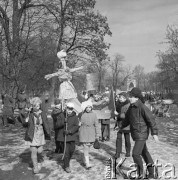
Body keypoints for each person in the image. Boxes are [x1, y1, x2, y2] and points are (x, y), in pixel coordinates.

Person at [121, 87, 159, 179]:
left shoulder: (142, 107)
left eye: (131, 96)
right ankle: (152, 172)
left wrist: (154, 133)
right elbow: (127, 119)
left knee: (135, 154)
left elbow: (151, 120)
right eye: (129, 96)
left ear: (137, 97)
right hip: (136, 133)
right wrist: (120, 126)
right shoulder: (131, 107)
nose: (129, 98)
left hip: (141, 134)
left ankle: (140, 174)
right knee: (144, 152)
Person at [23, 97, 51, 174]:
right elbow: (24, 124)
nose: (37, 107)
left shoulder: (42, 113)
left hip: (41, 133)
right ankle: (35, 167)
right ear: (33, 106)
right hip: (32, 133)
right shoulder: (30, 114)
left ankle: (38, 157)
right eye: (35, 106)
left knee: (40, 150)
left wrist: (48, 132)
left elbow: (46, 123)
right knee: (34, 151)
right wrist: (26, 118)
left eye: (38, 105)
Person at [55, 102, 79, 173]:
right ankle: (66, 166)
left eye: (71, 109)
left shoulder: (75, 116)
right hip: (63, 138)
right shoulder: (61, 115)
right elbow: (56, 125)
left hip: (71, 136)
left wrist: (69, 131)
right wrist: (63, 122)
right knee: (66, 152)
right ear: (66, 108)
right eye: (68, 109)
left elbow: (76, 126)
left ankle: (67, 160)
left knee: (71, 150)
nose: (69, 110)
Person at [79, 100, 100, 169]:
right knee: (85, 146)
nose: (88, 108)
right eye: (87, 107)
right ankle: (87, 163)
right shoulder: (81, 114)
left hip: (91, 132)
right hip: (84, 132)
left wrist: (97, 134)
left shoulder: (94, 114)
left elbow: (96, 125)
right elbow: (77, 123)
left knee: (88, 147)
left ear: (91, 107)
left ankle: (84, 158)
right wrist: (79, 123)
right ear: (84, 108)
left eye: (89, 107)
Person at [114, 92, 131, 158]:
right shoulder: (117, 104)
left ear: (125, 98)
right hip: (119, 123)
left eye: (121, 97)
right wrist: (114, 115)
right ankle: (118, 152)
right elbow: (117, 113)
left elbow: (126, 115)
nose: (119, 99)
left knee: (127, 138)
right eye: (119, 97)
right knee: (118, 138)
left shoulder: (128, 105)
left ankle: (128, 152)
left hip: (126, 124)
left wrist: (117, 114)